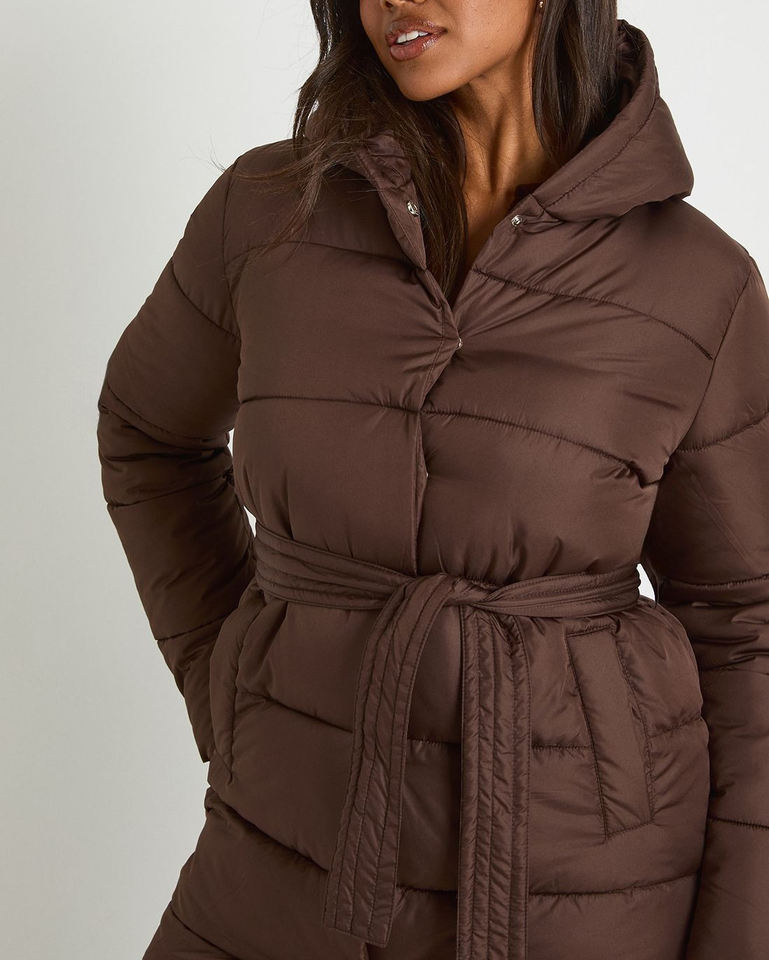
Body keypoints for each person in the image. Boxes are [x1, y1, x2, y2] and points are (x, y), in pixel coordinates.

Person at [96, 2, 769, 959]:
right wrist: (235, 683)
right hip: (283, 852)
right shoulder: (269, 212)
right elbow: (148, 434)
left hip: (587, 890)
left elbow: (747, 622)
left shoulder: (698, 282)